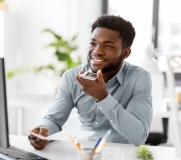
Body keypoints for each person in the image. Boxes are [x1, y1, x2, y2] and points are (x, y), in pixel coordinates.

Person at [28, 14, 152, 150]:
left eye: (108, 46)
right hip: (84, 153)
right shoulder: (71, 77)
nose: (97, 51)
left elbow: (139, 137)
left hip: (122, 155)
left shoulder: (139, 78)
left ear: (125, 53)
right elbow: (53, 119)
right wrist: (43, 131)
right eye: (93, 43)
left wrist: (103, 97)